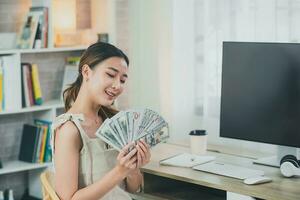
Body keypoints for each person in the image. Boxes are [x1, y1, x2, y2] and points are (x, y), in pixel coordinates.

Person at [51, 42, 151, 200]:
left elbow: (132, 189)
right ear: (86, 72)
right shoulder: (69, 130)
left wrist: (133, 170)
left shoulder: (114, 122)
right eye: (111, 75)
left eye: (123, 80)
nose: (117, 85)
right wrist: (120, 171)